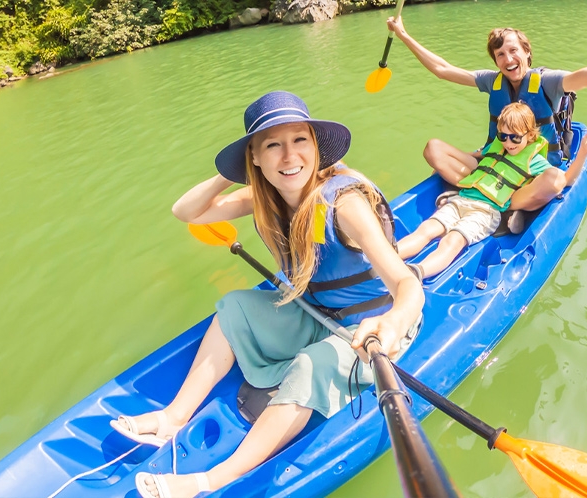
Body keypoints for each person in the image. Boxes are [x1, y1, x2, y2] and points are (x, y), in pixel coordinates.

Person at [109, 91, 425, 498]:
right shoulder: (265, 197)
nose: (289, 156)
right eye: (272, 145)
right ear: (254, 158)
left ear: (315, 146)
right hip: (316, 313)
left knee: (312, 365)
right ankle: (173, 418)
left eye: (300, 140)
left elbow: (406, 285)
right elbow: (186, 212)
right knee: (233, 307)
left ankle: (213, 480)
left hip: (371, 330)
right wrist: (232, 172)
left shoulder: (345, 205)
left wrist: (393, 322)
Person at [386, 1, 587, 211]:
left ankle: (503, 203)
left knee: (554, 182)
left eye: (513, 50)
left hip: (532, 173)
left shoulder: (548, 82)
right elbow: (442, 69)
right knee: (434, 150)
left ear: (527, 53)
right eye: (500, 55)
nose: (508, 59)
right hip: (495, 166)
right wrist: (403, 35)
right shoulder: (492, 81)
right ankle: (486, 192)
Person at [398, 102, 587, 280]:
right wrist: (445, 167)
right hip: (461, 199)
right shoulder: (497, 148)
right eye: (503, 136)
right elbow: (478, 157)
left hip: (487, 211)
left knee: (453, 240)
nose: (508, 142)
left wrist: (584, 151)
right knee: (426, 229)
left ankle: (417, 271)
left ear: (530, 136)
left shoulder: (534, 161)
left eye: (515, 138)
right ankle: (390, 257)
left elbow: (566, 180)